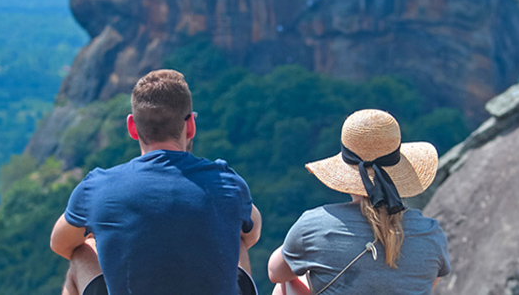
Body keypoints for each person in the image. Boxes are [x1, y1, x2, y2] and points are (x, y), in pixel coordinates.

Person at [49, 69, 263, 295]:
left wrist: (106, 236)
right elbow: (252, 232)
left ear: (132, 127)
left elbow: (60, 243)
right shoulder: (227, 183)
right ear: (190, 126)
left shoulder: (97, 188)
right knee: (235, 239)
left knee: (82, 253)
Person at [267, 109, 450, 295]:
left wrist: (303, 241)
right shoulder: (431, 233)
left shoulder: (315, 225)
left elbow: (275, 273)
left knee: (285, 284)